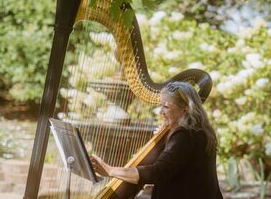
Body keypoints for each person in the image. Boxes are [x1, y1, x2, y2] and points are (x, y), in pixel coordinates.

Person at [91, 81, 224, 199]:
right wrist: (168, 139)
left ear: (185, 109)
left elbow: (157, 173)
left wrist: (110, 170)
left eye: (166, 107)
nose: (161, 112)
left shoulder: (184, 136)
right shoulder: (200, 131)